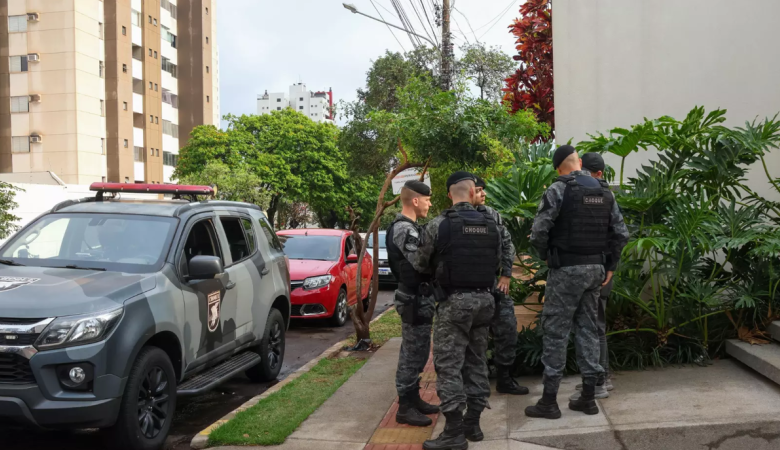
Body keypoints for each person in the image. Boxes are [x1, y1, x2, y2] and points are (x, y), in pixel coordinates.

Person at [524, 145, 629, 419]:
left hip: (566, 270)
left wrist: (546, 256)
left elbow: (538, 232)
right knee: (588, 329)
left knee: (556, 333)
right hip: (595, 270)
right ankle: (588, 398)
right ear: (579, 162)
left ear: (558, 168)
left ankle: (549, 402)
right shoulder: (604, 191)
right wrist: (610, 266)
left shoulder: (558, 189)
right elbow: (621, 233)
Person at [414, 171, 501, 450]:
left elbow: (420, 262)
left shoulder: (439, 224)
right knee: (477, 361)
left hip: (455, 304)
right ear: (473, 192)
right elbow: (498, 261)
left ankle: (453, 432)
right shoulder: (492, 223)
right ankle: (473, 424)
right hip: (485, 301)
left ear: (449, 194)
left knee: (449, 366)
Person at [386, 180, 440, 427]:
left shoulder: (412, 227)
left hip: (420, 297)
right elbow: (420, 262)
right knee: (411, 354)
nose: (430, 204)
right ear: (415, 200)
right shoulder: (403, 229)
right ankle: (405, 407)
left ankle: (414, 399)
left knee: (419, 352)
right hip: (413, 299)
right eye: (427, 200)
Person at [473, 176, 529, 396]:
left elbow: (507, 244)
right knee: (473, 337)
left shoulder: (492, 215)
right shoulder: (450, 219)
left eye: (484, 189)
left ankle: (505, 379)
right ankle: (475, 382)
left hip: (495, 284)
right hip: (468, 288)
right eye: (479, 190)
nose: (483, 194)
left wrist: (506, 274)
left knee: (507, 330)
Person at [569, 153, 614, 402]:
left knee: (596, 325)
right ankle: (598, 377)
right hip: (599, 269)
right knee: (593, 324)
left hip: (599, 270)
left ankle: (601, 379)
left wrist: (611, 267)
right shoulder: (603, 194)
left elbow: (617, 234)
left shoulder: (598, 194)